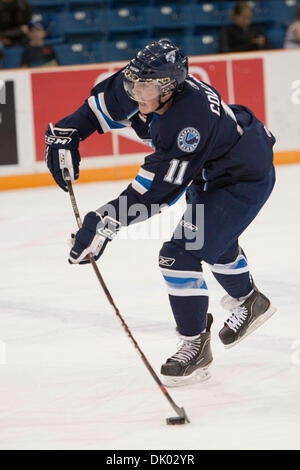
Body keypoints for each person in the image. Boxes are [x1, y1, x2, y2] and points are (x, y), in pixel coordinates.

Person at [45, 39, 277, 386]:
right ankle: (250, 299)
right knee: (214, 240)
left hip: (241, 177)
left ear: (169, 87)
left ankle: (195, 345)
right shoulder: (146, 82)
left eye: (145, 86)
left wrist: (106, 221)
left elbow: (156, 192)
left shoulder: (188, 123)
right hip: (213, 166)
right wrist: (68, 132)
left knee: (180, 254)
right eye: (133, 81)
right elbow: (95, 111)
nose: (135, 92)